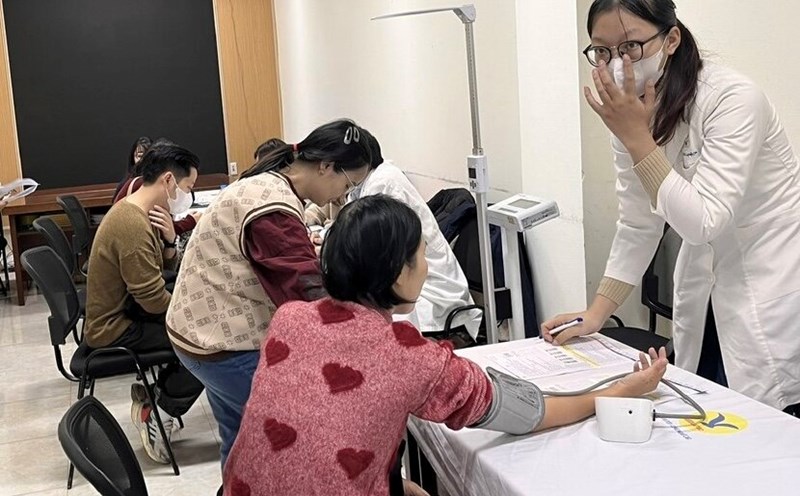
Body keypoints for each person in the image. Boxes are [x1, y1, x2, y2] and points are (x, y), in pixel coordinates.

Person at [222, 195, 668, 495]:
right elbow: (526, 413)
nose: (428, 268)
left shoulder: (290, 319)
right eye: (422, 255)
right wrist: (617, 392)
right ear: (398, 271)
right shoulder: (408, 357)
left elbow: (319, 432)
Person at [542, 0, 800, 415]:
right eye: (602, 51)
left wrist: (637, 137)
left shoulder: (732, 100)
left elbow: (704, 222)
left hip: (770, 282)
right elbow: (638, 222)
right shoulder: (632, 114)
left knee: (763, 423)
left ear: (672, 39)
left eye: (630, 46)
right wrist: (597, 313)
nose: (617, 64)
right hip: (705, 285)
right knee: (709, 410)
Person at [166, 118, 373, 469]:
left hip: (194, 332)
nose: (343, 196)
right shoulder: (274, 209)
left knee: (241, 440)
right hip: (222, 346)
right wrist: (365, 335)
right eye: (348, 184)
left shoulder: (268, 181)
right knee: (304, 439)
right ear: (326, 166)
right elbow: (305, 294)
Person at [84, 142, 205, 463]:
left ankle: (156, 398)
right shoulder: (131, 224)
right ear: (169, 180)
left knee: (200, 322)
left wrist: (169, 242)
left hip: (129, 311)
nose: (188, 195)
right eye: (188, 187)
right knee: (206, 343)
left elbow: (158, 273)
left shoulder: (141, 211)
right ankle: (160, 414)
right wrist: (194, 313)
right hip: (114, 327)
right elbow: (152, 301)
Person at [304, 130, 481, 340]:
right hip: (401, 278)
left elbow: (372, 251)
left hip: (428, 292)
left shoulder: (384, 184)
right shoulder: (363, 185)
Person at [114, 138, 201, 241]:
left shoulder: (137, 184)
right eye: (188, 188)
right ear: (168, 179)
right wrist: (190, 222)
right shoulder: (145, 194)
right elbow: (161, 227)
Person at [112, 136, 151, 200]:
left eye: (147, 156)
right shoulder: (128, 183)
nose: (143, 160)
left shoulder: (157, 182)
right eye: (140, 156)